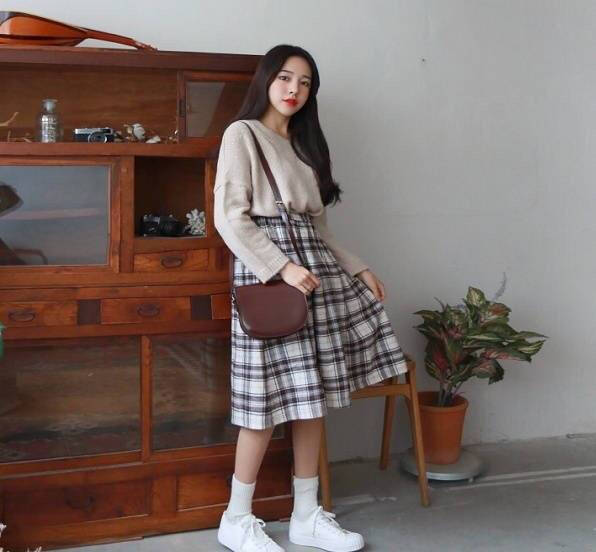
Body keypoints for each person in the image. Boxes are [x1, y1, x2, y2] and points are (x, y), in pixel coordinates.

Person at [214, 44, 407, 552]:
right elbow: (229, 217)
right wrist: (281, 267)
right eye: (284, 77)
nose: (293, 89)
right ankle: (236, 518)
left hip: (314, 274)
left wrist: (357, 265)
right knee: (261, 404)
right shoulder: (242, 134)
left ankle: (306, 515)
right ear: (265, 80)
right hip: (273, 278)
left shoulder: (303, 147)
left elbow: (320, 230)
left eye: (304, 82)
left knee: (310, 400)